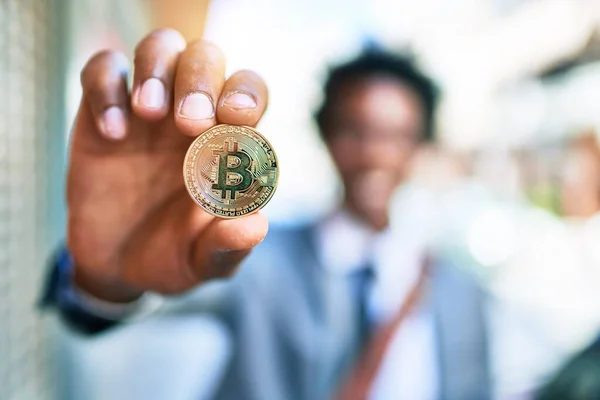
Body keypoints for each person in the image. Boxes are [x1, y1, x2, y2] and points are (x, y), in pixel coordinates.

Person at [42, 28, 536, 399]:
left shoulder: (460, 289)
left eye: (396, 135)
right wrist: (105, 278)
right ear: (325, 135)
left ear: (421, 146)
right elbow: (109, 308)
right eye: (353, 130)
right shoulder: (256, 256)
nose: (373, 155)